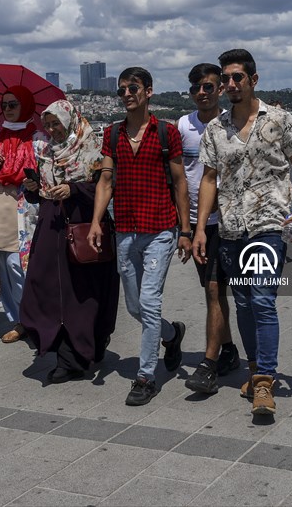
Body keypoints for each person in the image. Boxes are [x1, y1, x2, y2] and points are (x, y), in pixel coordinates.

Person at [193, 49, 292, 415]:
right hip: (230, 228)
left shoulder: (278, 119)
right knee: (243, 303)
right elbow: (209, 179)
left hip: (268, 224)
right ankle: (255, 368)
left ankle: (264, 382)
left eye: (237, 78)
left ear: (253, 80)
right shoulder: (216, 129)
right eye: (226, 78)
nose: (230, 84)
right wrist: (200, 228)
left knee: (261, 300)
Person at [88, 67, 190, 407]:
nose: (127, 94)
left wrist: (186, 231)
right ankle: (172, 335)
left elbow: (179, 183)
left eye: (133, 88)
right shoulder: (113, 134)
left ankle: (146, 376)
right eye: (122, 90)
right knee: (134, 306)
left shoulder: (166, 133)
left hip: (161, 229)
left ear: (148, 91)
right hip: (126, 232)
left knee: (148, 302)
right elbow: (105, 181)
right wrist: (96, 222)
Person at [19, 101, 119, 383]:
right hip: (51, 226)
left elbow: (105, 186)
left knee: (82, 292)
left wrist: (73, 189)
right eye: (47, 125)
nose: (52, 130)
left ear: (70, 121)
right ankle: (65, 350)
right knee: (46, 287)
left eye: (56, 124)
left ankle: (77, 354)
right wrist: (33, 188)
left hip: (85, 223)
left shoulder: (92, 149)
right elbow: (40, 194)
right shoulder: (46, 151)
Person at [179, 64, 240, 395]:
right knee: (213, 291)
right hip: (196, 223)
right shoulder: (183, 126)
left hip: (228, 222)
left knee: (218, 290)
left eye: (207, 87)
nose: (200, 92)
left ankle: (209, 363)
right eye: (194, 88)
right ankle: (228, 349)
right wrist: (184, 228)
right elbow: (179, 177)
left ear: (219, 89)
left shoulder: (232, 124)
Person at [0, 85, 47, 343]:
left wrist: (36, 183)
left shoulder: (39, 138)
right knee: (3, 265)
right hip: (0, 204)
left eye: (13, 104)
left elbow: (48, 175)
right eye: (4, 105)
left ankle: (35, 317)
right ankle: (19, 319)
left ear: (26, 106)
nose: (7, 109)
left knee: (22, 265)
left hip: (26, 208)